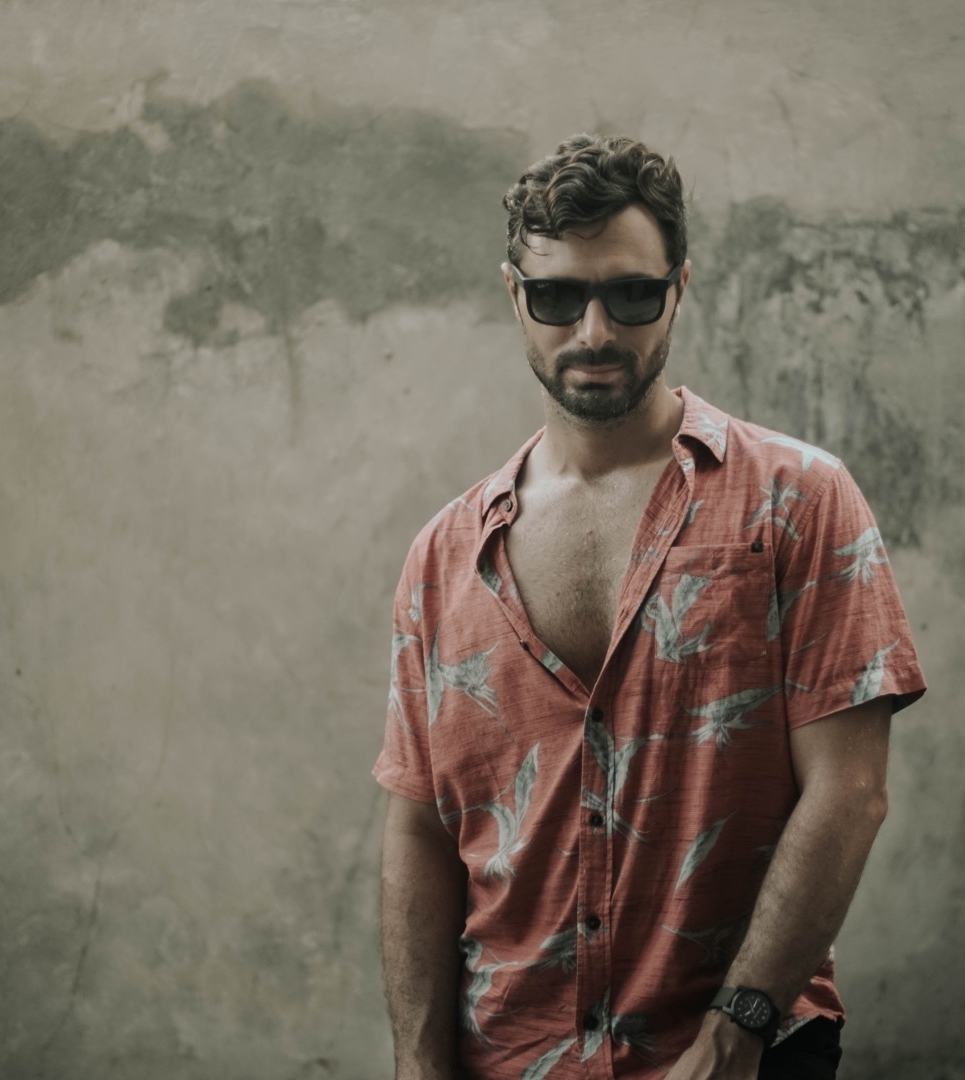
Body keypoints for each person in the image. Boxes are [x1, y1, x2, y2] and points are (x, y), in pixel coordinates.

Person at [374, 134, 926, 1080]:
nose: (594, 330)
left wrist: (736, 1028)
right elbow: (421, 828)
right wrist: (420, 1065)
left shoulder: (796, 502)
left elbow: (850, 791)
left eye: (631, 294)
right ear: (514, 296)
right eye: (557, 297)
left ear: (679, 288)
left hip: (743, 1055)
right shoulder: (445, 556)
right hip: (514, 1058)